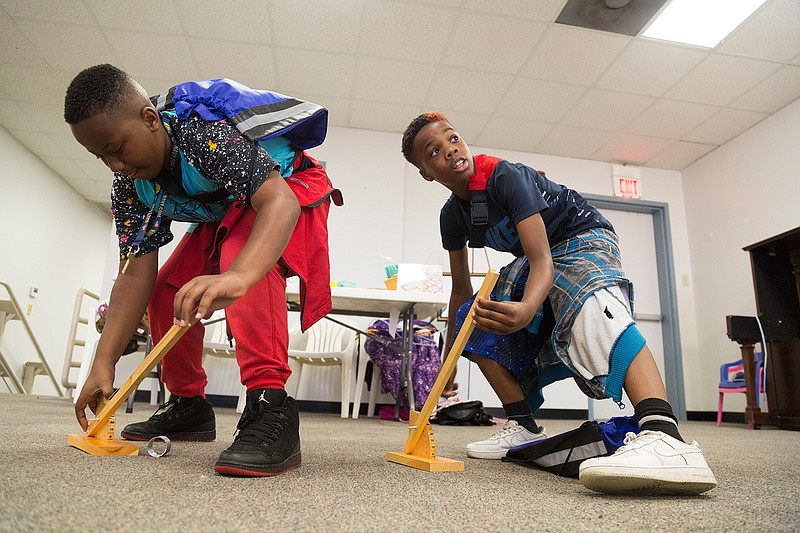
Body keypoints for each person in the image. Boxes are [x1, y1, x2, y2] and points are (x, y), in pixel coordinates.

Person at [401, 112, 717, 495]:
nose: (451, 150)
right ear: (425, 172)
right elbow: (461, 292)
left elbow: (542, 262)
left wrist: (527, 309)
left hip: (583, 237)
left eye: (453, 138)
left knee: (586, 295)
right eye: (435, 151)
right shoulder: (452, 216)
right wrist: (448, 360)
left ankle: (663, 433)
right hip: (543, 257)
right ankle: (522, 425)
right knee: (475, 316)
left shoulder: (504, 176)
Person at [64, 64, 341, 477]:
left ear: (150, 119)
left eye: (117, 147)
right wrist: (103, 363)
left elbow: (277, 203)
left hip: (286, 191)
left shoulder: (201, 134)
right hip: (226, 208)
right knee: (165, 290)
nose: (114, 165)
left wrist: (239, 277)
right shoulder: (129, 186)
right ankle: (189, 404)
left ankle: (271, 405)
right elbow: (134, 274)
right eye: (100, 155)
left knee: (239, 259)